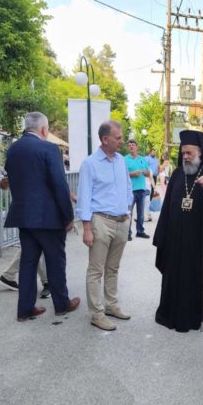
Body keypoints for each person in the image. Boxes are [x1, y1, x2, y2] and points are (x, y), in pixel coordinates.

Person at [4, 112, 80, 321]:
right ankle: (62, 304)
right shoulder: (49, 148)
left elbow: (11, 179)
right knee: (56, 261)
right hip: (49, 218)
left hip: (24, 217)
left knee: (28, 263)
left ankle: (25, 309)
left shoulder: (13, 150)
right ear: (44, 129)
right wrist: (68, 216)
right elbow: (59, 184)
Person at [153, 130, 203, 333]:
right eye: (183, 152)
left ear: (200, 152)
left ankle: (196, 313)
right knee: (174, 275)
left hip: (197, 240)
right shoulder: (178, 174)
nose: (185, 156)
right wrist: (162, 236)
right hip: (175, 239)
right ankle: (171, 312)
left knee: (195, 277)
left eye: (189, 153)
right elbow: (167, 208)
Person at [77, 121, 133, 332]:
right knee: (95, 270)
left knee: (113, 268)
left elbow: (128, 187)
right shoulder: (90, 164)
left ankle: (111, 305)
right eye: (118, 138)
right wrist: (87, 228)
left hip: (122, 221)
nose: (122, 141)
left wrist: (128, 211)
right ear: (105, 139)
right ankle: (97, 314)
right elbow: (84, 197)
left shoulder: (121, 161)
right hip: (101, 221)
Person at [125, 139, 150, 240]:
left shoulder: (142, 159)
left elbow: (148, 173)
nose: (131, 146)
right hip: (130, 190)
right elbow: (121, 174)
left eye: (133, 145)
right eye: (129, 145)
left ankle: (140, 231)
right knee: (128, 213)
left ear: (137, 147)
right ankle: (127, 233)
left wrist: (145, 172)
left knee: (141, 213)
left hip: (141, 190)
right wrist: (132, 174)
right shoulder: (124, 159)